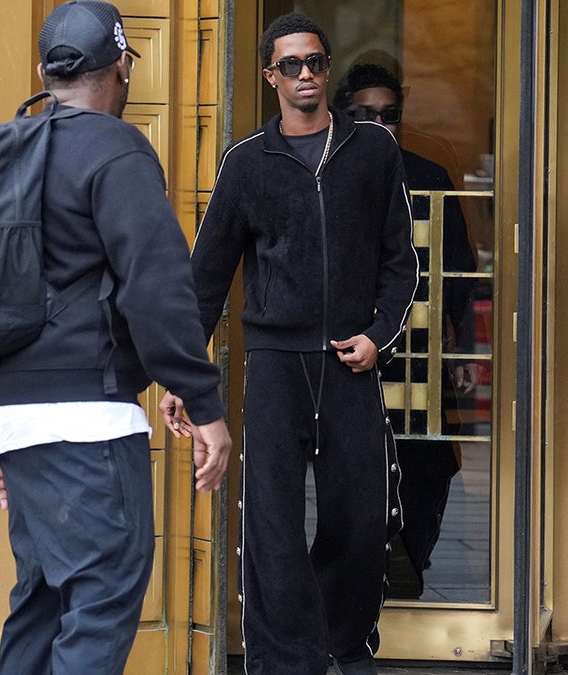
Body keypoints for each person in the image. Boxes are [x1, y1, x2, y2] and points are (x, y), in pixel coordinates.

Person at [0, 2, 232, 672]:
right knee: (102, 596)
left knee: (42, 602)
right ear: (122, 69)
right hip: (89, 422)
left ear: (45, 70)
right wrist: (205, 401)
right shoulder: (117, 149)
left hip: (15, 420)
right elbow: (156, 286)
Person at [159, 12, 418, 675]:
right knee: (271, 522)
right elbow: (207, 279)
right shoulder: (247, 164)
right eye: (292, 65)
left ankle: (344, 644)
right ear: (271, 75)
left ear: (327, 70)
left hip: (349, 360)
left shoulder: (372, 151)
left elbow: (400, 262)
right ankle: (281, 659)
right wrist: (186, 378)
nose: (307, 75)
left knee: (360, 515)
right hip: (274, 361)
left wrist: (379, 335)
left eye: (317, 63)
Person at [332, 63, 481, 599]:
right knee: (353, 463)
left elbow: (459, 270)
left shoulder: (428, 176)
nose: (377, 124)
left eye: (388, 115)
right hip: (346, 350)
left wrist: (462, 347)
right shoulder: (325, 173)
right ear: (344, 114)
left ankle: (408, 561)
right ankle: (361, 569)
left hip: (418, 345)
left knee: (428, 460)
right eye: (364, 114)